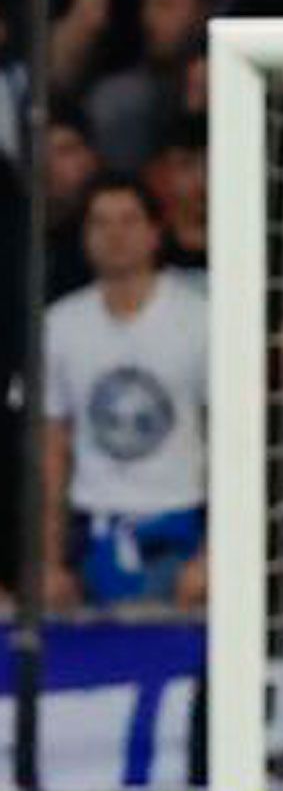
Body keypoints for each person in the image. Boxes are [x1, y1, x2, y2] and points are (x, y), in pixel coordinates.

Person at [44, 177, 208, 610]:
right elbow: (52, 448)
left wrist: (214, 555)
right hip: (91, 534)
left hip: (180, 528)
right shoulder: (61, 324)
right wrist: (48, 562)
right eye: (100, 223)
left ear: (155, 232)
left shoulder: (200, 320)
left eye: (129, 221)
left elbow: (229, 444)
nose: (115, 235)